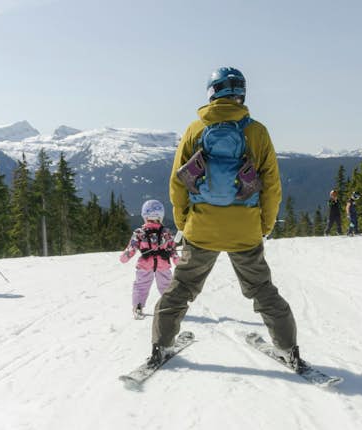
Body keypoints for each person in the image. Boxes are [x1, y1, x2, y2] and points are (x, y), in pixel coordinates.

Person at [149, 66, 307, 370]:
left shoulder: (195, 130)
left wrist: (185, 223)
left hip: (201, 229)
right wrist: (264, 225)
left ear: (211, 93)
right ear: (241, 94)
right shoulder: (257, 132)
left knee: (180, 289)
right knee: (262, 291)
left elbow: (177, 184)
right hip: (245, 230)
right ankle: (289, 350)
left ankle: (160, 345)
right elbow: (272, 185)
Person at [120, 200, 179, 319]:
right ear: (161, 216)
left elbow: (131, 248)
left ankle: (137, 307)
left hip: (145, 265)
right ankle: (169, 307)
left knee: (141, 285)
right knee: (166, 285)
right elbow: (172, 249)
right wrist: (178, 261)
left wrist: (124, 258)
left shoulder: (139, 232)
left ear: (144, 216)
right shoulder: (166, 233)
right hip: (163, 264)